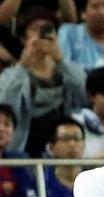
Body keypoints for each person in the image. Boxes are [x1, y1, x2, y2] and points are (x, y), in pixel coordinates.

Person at [0, 8, 88, 156]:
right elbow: (5, 106)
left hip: (61, 147)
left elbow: (86, 95)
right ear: (23, 38)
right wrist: (22, 65)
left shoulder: (67, 71)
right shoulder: (11, 74)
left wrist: (61, 60)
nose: (42, 34)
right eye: (35, 29)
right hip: (24, 148)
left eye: (47, 29)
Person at [42, 117, 87, 197]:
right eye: (66, 139)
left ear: (84, 145)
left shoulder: (96, 182)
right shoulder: (42, 183)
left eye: (77, 138)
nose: (72, 144)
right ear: (51, 147)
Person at [57, 0, 104, 71]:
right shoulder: (69, 33)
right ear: (83, 14)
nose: (102, 12)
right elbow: (63, 68)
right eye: (95, 6)